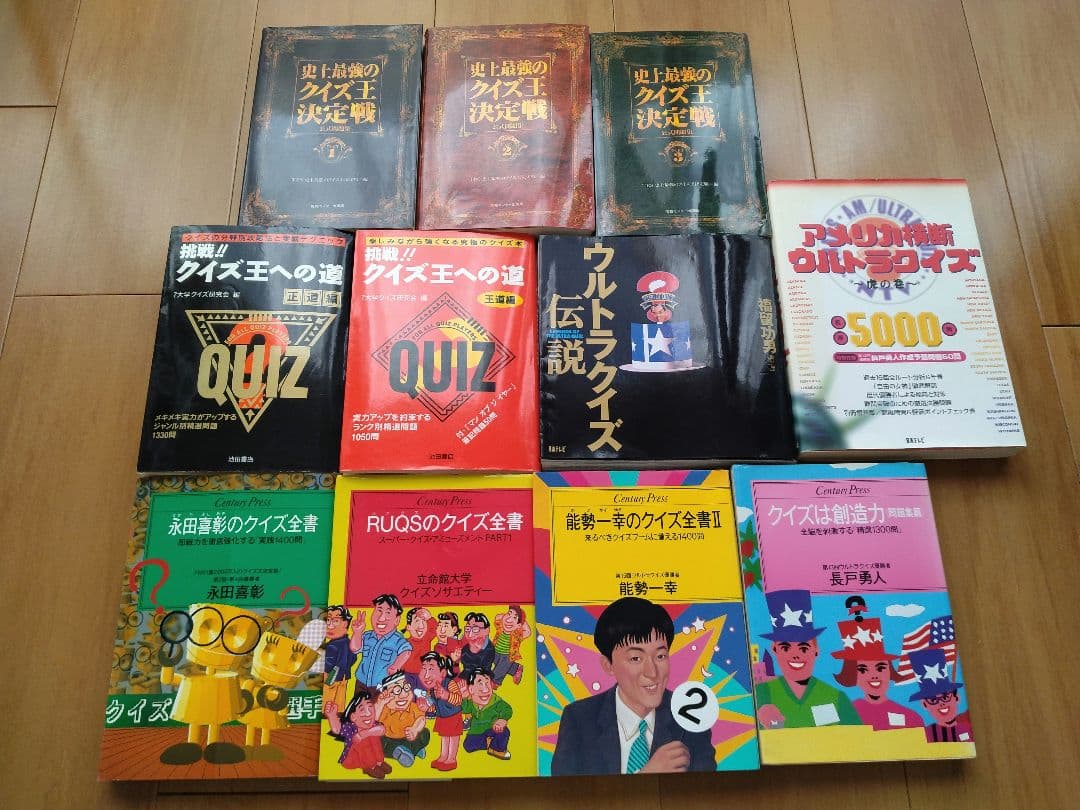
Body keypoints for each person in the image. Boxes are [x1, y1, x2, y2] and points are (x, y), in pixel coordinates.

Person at [550, 596, 715, 775]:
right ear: (608, 665)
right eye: (636, 658)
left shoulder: (690, 718)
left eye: (660, 656)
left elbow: (708, 786)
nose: (652, 672)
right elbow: (565, 790)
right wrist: (646, 775)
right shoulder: (579, 719)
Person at [754, 589, 861, 730]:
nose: (795, 656)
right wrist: (772, 724)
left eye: (803, 648)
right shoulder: (762, 693)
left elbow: (859, 736)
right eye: (785, 648)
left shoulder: (836, 697)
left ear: (816, 650)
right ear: (774, 649)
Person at [831, 604, 922, 730]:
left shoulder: (910, 717)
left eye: (880, 668)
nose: (874, 675)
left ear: (890, 671)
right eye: (863, 670)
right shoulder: (843, 715)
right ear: (852, 675)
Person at [907, 649, 974, 743]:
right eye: (933, 700)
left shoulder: (967, 724)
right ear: (924, 704)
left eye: (945, 697)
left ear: (957, 697)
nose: (941, 703)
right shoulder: (927, 734)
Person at [323, 687, 391, 779]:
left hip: (371, 756)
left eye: (370, 707)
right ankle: (370, 767)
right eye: (362, 710)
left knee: (373, 736)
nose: (368, 713)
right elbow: (337, 730)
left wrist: (364, 734)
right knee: (361, 741)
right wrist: (332, 716)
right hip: (353, 759)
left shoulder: (372, 724)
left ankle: (379, 762)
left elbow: (381, 729)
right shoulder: (351, 728)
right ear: (353, 717)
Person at [350, 594, 412, 691]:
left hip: (383, 685)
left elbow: (406, 651)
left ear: (397, 620)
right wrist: (357, 632)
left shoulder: (397, 639)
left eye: (388, 613)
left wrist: (396, 666)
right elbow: (355, 648)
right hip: (361, 681)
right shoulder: (367, 636)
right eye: (379, 611)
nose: (381, 618)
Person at [418, 651, 464, 771]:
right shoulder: (431, 690)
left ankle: (451, 759)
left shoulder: (449, 683)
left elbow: (459, 700)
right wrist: (426, 708)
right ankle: (443, 756)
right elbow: (433, 706)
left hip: (453, 716)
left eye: (431, 669)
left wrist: (446, 695)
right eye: (424, 669)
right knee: (444, 737)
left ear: (443, 673)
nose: (426, 675)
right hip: (442, 717)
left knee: (452, 737)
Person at [375, 671, 430, 767]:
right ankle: (402, 752)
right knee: (379, 742)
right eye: (396, 690)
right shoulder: (384, 709)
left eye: (406, 688)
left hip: (409, 737)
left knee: (425, 733)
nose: (403, 695)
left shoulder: (413, 706)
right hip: (390, 740)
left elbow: (421, 719)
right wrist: (380, 703)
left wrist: (415, 729)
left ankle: (414, 749)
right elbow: (374, 720)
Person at [460, 667, 513, 760]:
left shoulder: (496, 701)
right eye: (480, 684)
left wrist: (502, 719)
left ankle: (498, 749)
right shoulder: (471, 702)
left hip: (492, 729)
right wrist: (463, 697)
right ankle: (490, 743)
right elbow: (464, 709)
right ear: (471, 689)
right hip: (476, 731)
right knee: (467, 746)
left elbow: (507, 709)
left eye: (487, 683)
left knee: (504, 731)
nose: (485, 689)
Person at [322, 605, 357, 711]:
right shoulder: (349, 642)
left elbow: (327, 665)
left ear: (345, 623)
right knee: (339, 704)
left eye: (335, 621)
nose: (330, 625)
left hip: (331, 677)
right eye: (328, 620)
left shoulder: (332, 645)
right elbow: (353, 658)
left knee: (327, 705)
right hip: (344, 676)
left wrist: (328, 677)